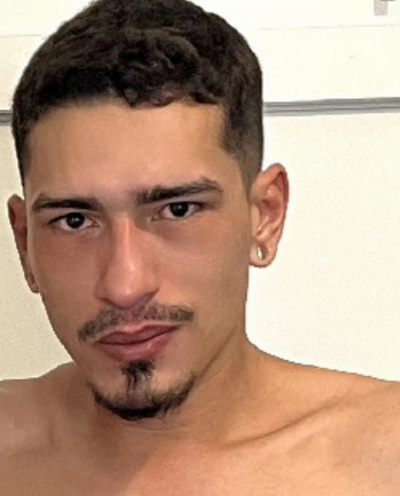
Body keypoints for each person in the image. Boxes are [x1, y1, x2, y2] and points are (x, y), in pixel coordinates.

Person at [1, 0, 400, 493]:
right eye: (75, 220)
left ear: (265, 215)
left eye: (178, 210)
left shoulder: (383, 463)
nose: (125, 285)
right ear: (25, 243)